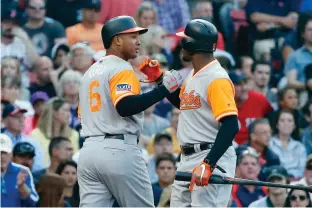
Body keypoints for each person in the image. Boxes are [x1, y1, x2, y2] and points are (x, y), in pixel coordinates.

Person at [77, 15, 183, 207]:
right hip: (118, 149)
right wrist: (164, 88)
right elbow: (126, 107)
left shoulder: (90, 73)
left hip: (89, 151)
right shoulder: (121, 68)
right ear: (117, 39)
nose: (138, 41)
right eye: (132, 36)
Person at [160, 19, 239, 207]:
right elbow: (186, 104)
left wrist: (208, 163)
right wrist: (158, 80)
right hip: (187, 157)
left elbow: (231, 124)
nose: (181, 45)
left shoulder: (216, 78)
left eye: (184, 40)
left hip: (210, 156)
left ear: (190, 44)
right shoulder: (195, 73)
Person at [0, 133, 39, 207]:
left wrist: (22, 187)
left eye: (5, 152)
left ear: (10, 154)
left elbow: (33, 203)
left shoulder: (23, 171)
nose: (1, 156)